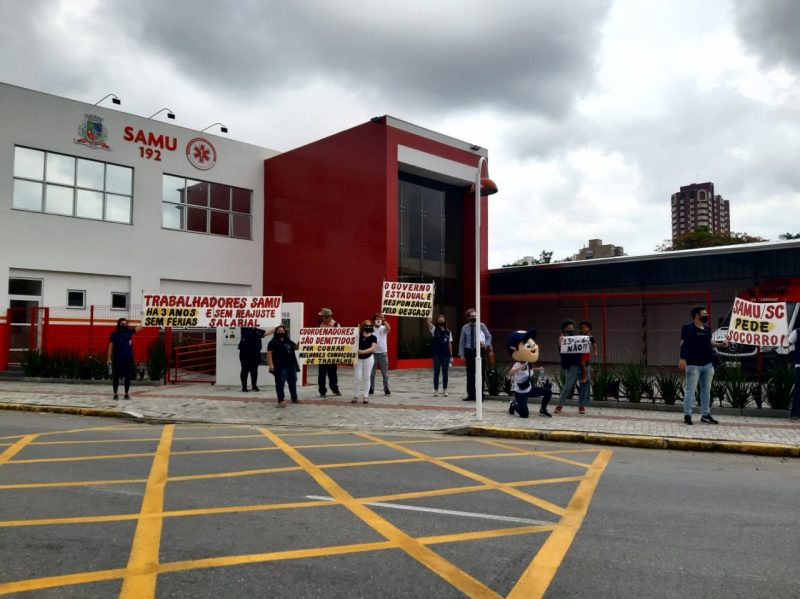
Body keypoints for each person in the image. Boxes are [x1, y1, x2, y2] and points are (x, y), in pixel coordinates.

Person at [679, 306, 728, 425]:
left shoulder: (707, 329)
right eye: (704, 314)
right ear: (697, 315)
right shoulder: (687, 328)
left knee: (706, 390)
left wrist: (721, 345)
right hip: (693, 365)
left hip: (707, 364)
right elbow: (683, 344)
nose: (706, 315)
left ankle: (705, 415)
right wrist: (682, 358)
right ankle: (687, 415)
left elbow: (709, 343)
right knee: (690, 390)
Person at [507, 329, 552, 418]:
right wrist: (518, 368)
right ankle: (513, 405)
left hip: (529, 389)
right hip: (520, 392)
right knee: (524, 415)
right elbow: (510, 373)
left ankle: (543, 410)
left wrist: (537, 369)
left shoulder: (528, 363)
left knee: (548, 392)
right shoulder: (517, 364)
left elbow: (528, 371)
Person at [458, 308, 492, 402]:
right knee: (470, 374)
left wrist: (486, 345)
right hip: (469, 351)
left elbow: (488, 336)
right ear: (468, 317)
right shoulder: (465, 328)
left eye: (475, 316)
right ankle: (471, 395)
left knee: (480, 373)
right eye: (472, 316)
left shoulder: (481, 325)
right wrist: (462, 354)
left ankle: (480, 395)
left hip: (479, 350)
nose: (474, 317)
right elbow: (462, 341)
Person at [106, 317, 142, 400]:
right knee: (116, 376)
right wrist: (109, 358)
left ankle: (126, 393)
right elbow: (110, 347)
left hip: (128, 358)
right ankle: (115, 394)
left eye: (126, 324)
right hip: (117, 358)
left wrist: (143, 317)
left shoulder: (129, 332)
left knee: (127, 376)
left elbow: (141, 327)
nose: (124, 325)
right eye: (122, 324)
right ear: (119, 324)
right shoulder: (114, 334)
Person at [554, 320, 585, 414]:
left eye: (573, 328)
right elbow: (561, 346)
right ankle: (560, 405)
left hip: (582, 364)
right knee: (568, 386)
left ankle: (581, 406)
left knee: (583, 385)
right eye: (569, 328)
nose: (572, 330)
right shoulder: (562, 338)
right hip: (571, 365)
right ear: (564, 329)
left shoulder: (576, 338)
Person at [267, 325, 300, 408]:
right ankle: (281, 400)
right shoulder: (272, 342)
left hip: (291, 365)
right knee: (280, 383)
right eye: (279, 331)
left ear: (285, 332)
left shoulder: (288, 341)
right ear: (276, 332)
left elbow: (295, 348)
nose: (281, 332)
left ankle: (294, 398)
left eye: (282, 331)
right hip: (280, 366)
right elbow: (269, 354)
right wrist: (271, 365)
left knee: (293, 381)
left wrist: (301, 341)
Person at [317, 308, 342, 397]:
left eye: (324, 317)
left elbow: (340, 340)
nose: (323, 319)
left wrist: (338, 356)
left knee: (332, 373)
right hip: (322, 352)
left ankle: (334, 389)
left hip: (333, 352)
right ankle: (322, 391)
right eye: (322, 317)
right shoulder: (319, 324)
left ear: (329, 317)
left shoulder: (336, 325)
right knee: (322, 373)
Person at [427, 313, 453, 396]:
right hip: (437, 354)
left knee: (445, 372)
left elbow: (449, 344)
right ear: (437, 321)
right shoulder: (434, 330)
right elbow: (428, 322)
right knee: (436, 372)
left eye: (442, 320)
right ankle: (436, 390)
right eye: (439, 320)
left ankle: (445, 390)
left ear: (444, 321)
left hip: (446, 355)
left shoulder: (448, 332)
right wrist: (430, 313)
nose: (441, 321)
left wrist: (451, 356)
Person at [353, 320, 377, 404]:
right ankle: (356, 395)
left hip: (369, 358)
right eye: (366, 325)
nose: (368, 327)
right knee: (358, 377)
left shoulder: (373, 337)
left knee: (367, 377)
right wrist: (356, 331)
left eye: (370, 326)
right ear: (363, 326)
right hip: (358, 359)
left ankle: (365, 396)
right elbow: (352, 343)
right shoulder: (358, 336)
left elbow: (373, 348)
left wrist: (363, 352)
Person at [369, 312, 391, 396]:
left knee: (385, 373)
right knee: (371, 373)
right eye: (376, 319)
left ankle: (386, 389)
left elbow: (389, 328)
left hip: (383, 353)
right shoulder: (371, 329)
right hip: (373, 354)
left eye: (379, 319)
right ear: (373, 321)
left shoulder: (383, 328)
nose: (378, 321)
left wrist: (384, 320)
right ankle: (371, 388)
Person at [239, 327, 266, 392]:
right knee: (245, 370)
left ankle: (254, 385)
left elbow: (266, 333)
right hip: (245, 352)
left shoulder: (257, 330)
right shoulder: (244, 328)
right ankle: (244, 386)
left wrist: (277, 326)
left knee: (254, 370)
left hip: (255, 353)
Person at [578, 321, 598, 408]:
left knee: (585, 375)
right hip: (579, 356)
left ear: (589, 328)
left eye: (584, 327)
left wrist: (595, 351)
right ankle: (590, 372)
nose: (583, 329)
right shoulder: (579, 336)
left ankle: (584, 402)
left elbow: (594, 344)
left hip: (585, 356)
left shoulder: (590, 337)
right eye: (581, 327)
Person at [787, 325, 800, 421]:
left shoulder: (797, 332)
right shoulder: (797, 332)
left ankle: (795, 413)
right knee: (798, 390)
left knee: (798, 390)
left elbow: (788, 343)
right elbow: (788, 343)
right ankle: (795, 413)